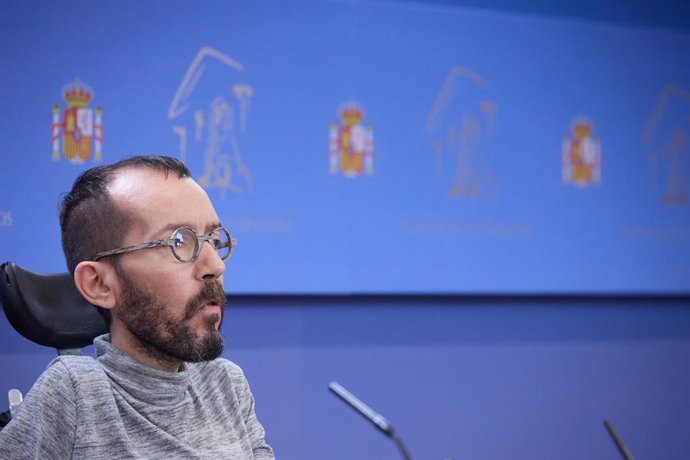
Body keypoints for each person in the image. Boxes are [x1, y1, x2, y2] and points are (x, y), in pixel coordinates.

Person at [0, 155, 274, 459]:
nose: (213, 266)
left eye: (213, 239)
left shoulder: (225, 384)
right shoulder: (75, 391)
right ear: (99, 284)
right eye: (178, 242)